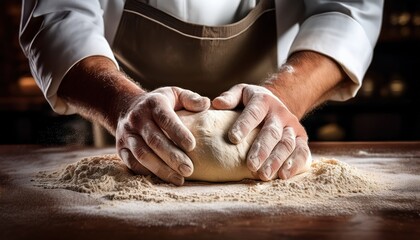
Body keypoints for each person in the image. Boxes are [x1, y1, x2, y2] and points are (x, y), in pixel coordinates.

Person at [19, 0, 383, 185]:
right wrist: (123, 104)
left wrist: (284, 95)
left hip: (270, 132)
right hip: (131, 141)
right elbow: (57, 13)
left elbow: (346, 11)